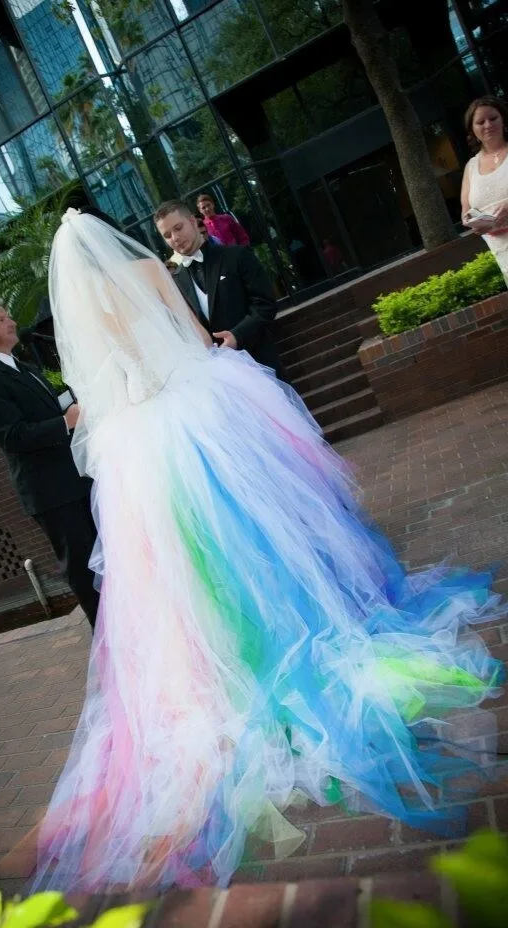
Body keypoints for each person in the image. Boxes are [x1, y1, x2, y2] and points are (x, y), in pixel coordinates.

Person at [32, 209, 505, 896]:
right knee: (262, 528)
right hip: (194, 410)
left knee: (187, 562)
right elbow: (194, 341)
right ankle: (299, 625)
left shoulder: (87, 307)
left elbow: (104, 387)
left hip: (140, 444)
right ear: (121, 236)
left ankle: (224, 663)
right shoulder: (148, 274)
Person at [0, 299, 99, 629]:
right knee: (82, 566)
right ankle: (109, 637)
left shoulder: (23, 366)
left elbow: (50, 410)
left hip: (76, 476)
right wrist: (64, 423)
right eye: (1, 319)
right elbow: (12, 437)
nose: (11, 322)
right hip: (51, 492)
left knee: (104, 556)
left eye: (8, 316)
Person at [154, 199, 284, 377]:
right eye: (167, 235)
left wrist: (237, 335)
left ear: (192, 221)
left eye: (178, 228)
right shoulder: (175, 281)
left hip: (260, 362)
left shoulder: (236, 255)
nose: (175, 238)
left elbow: (265, 304)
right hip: (220, 380)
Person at [460, 95, 508, 284]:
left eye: (493, 118)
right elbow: (466, 212)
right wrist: (473, 222)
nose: (488, 125)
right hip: (502, 254)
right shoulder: (471, 167)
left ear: (503, 119)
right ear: (473, 130)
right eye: (480, 122)